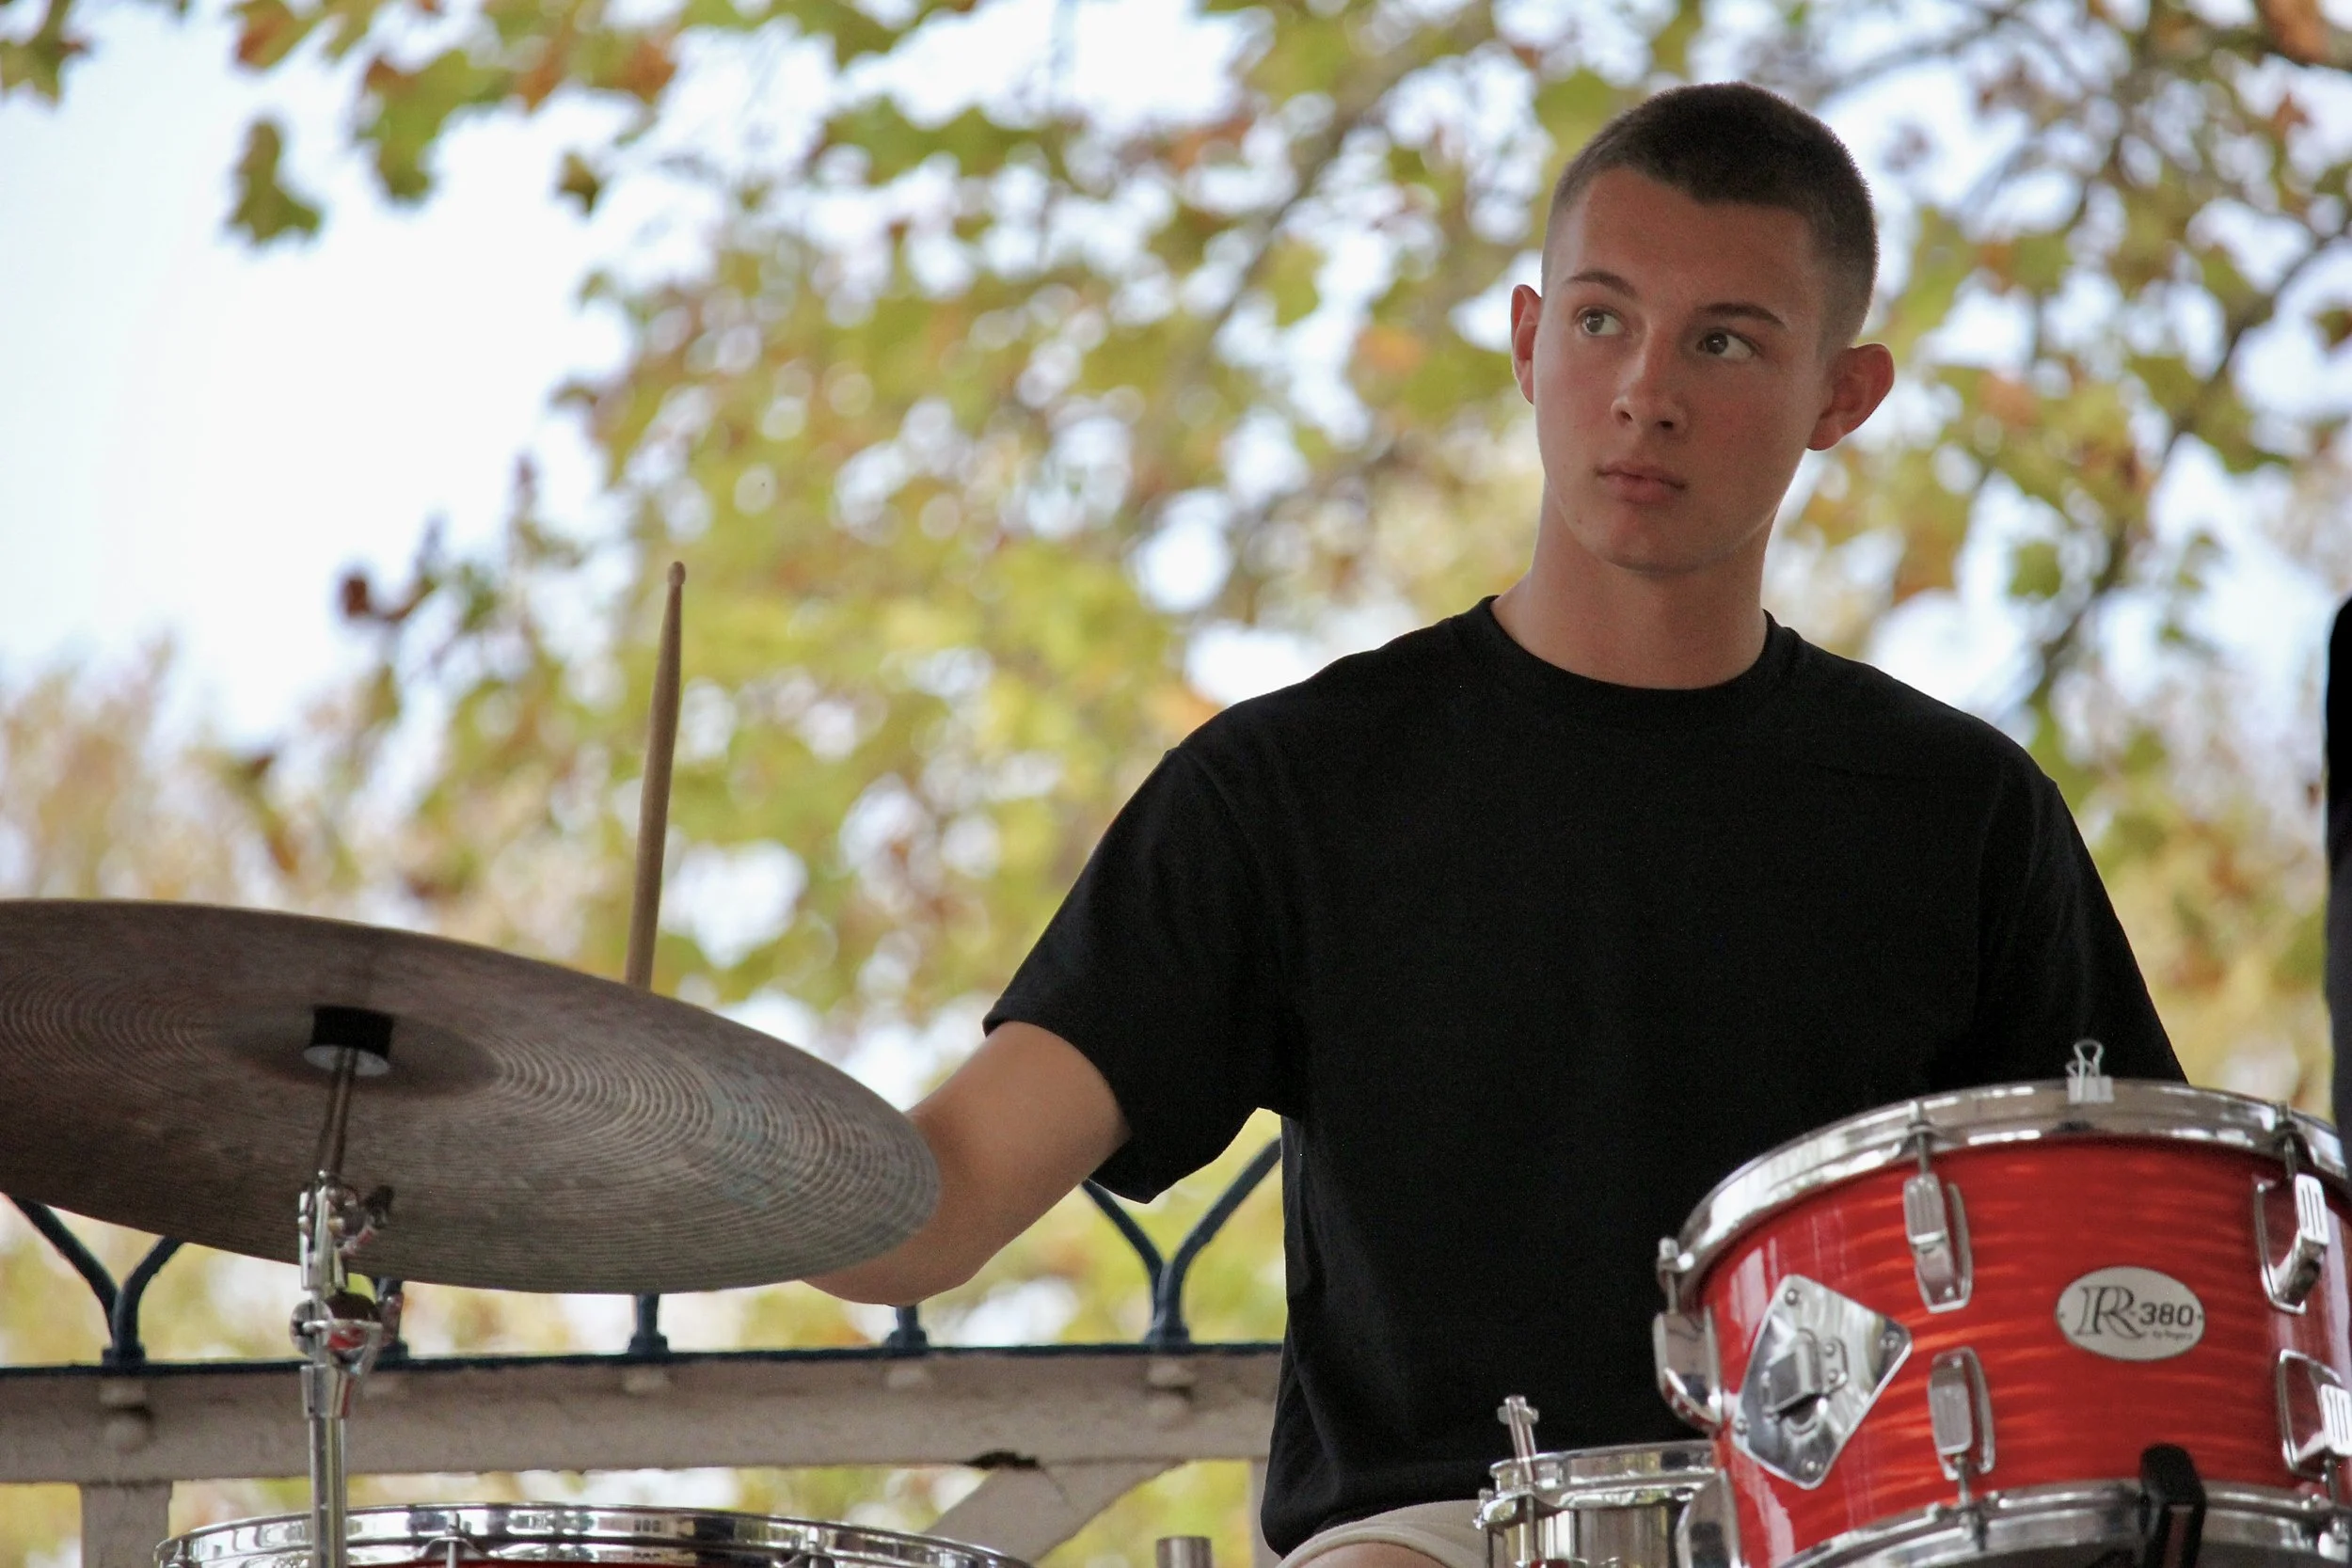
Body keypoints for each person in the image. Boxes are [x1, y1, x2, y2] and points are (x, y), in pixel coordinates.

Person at [812, 81, 2181, 1568]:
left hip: (1843, 1536)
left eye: (1723, 340)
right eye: (1603, 320)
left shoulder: (1965, 813)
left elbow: (2138, 1293)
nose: (1645, 387)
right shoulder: (1291, 788)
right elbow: (935, 1208)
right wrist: (645, 1132)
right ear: (1530, 343)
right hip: (1428, 1536)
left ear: (1842, 398)